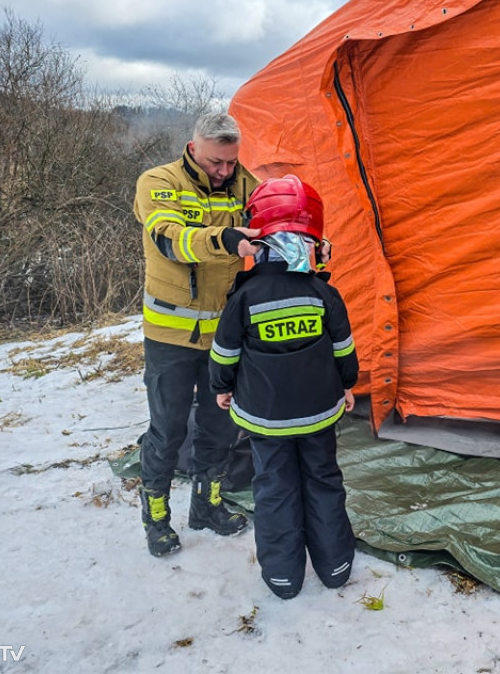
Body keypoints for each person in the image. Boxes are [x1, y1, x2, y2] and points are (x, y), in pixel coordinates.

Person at [209, 174, 360, 599]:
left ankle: (283, 577)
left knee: (275, 489)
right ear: (311, 238)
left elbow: (224, 353)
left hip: (265, 417)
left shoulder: (245, 296)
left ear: (260, 237)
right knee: (324, 481)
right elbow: (343, 349)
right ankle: (335, 568)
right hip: (317, 414)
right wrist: (347, 385)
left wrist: (222, 386)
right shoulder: (322, 293)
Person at [133, 112, 262, 557]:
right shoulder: (158, 182)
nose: (225, 172)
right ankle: (156, 516)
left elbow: (275, 219)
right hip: (170, 335)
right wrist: (226, 240)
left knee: (218, 427)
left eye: (231, 162)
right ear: (193, 149)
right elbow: (170, 238)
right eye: (215, 163)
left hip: (223, 338)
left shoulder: (245, 183)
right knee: (167, 430)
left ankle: (206, 506)